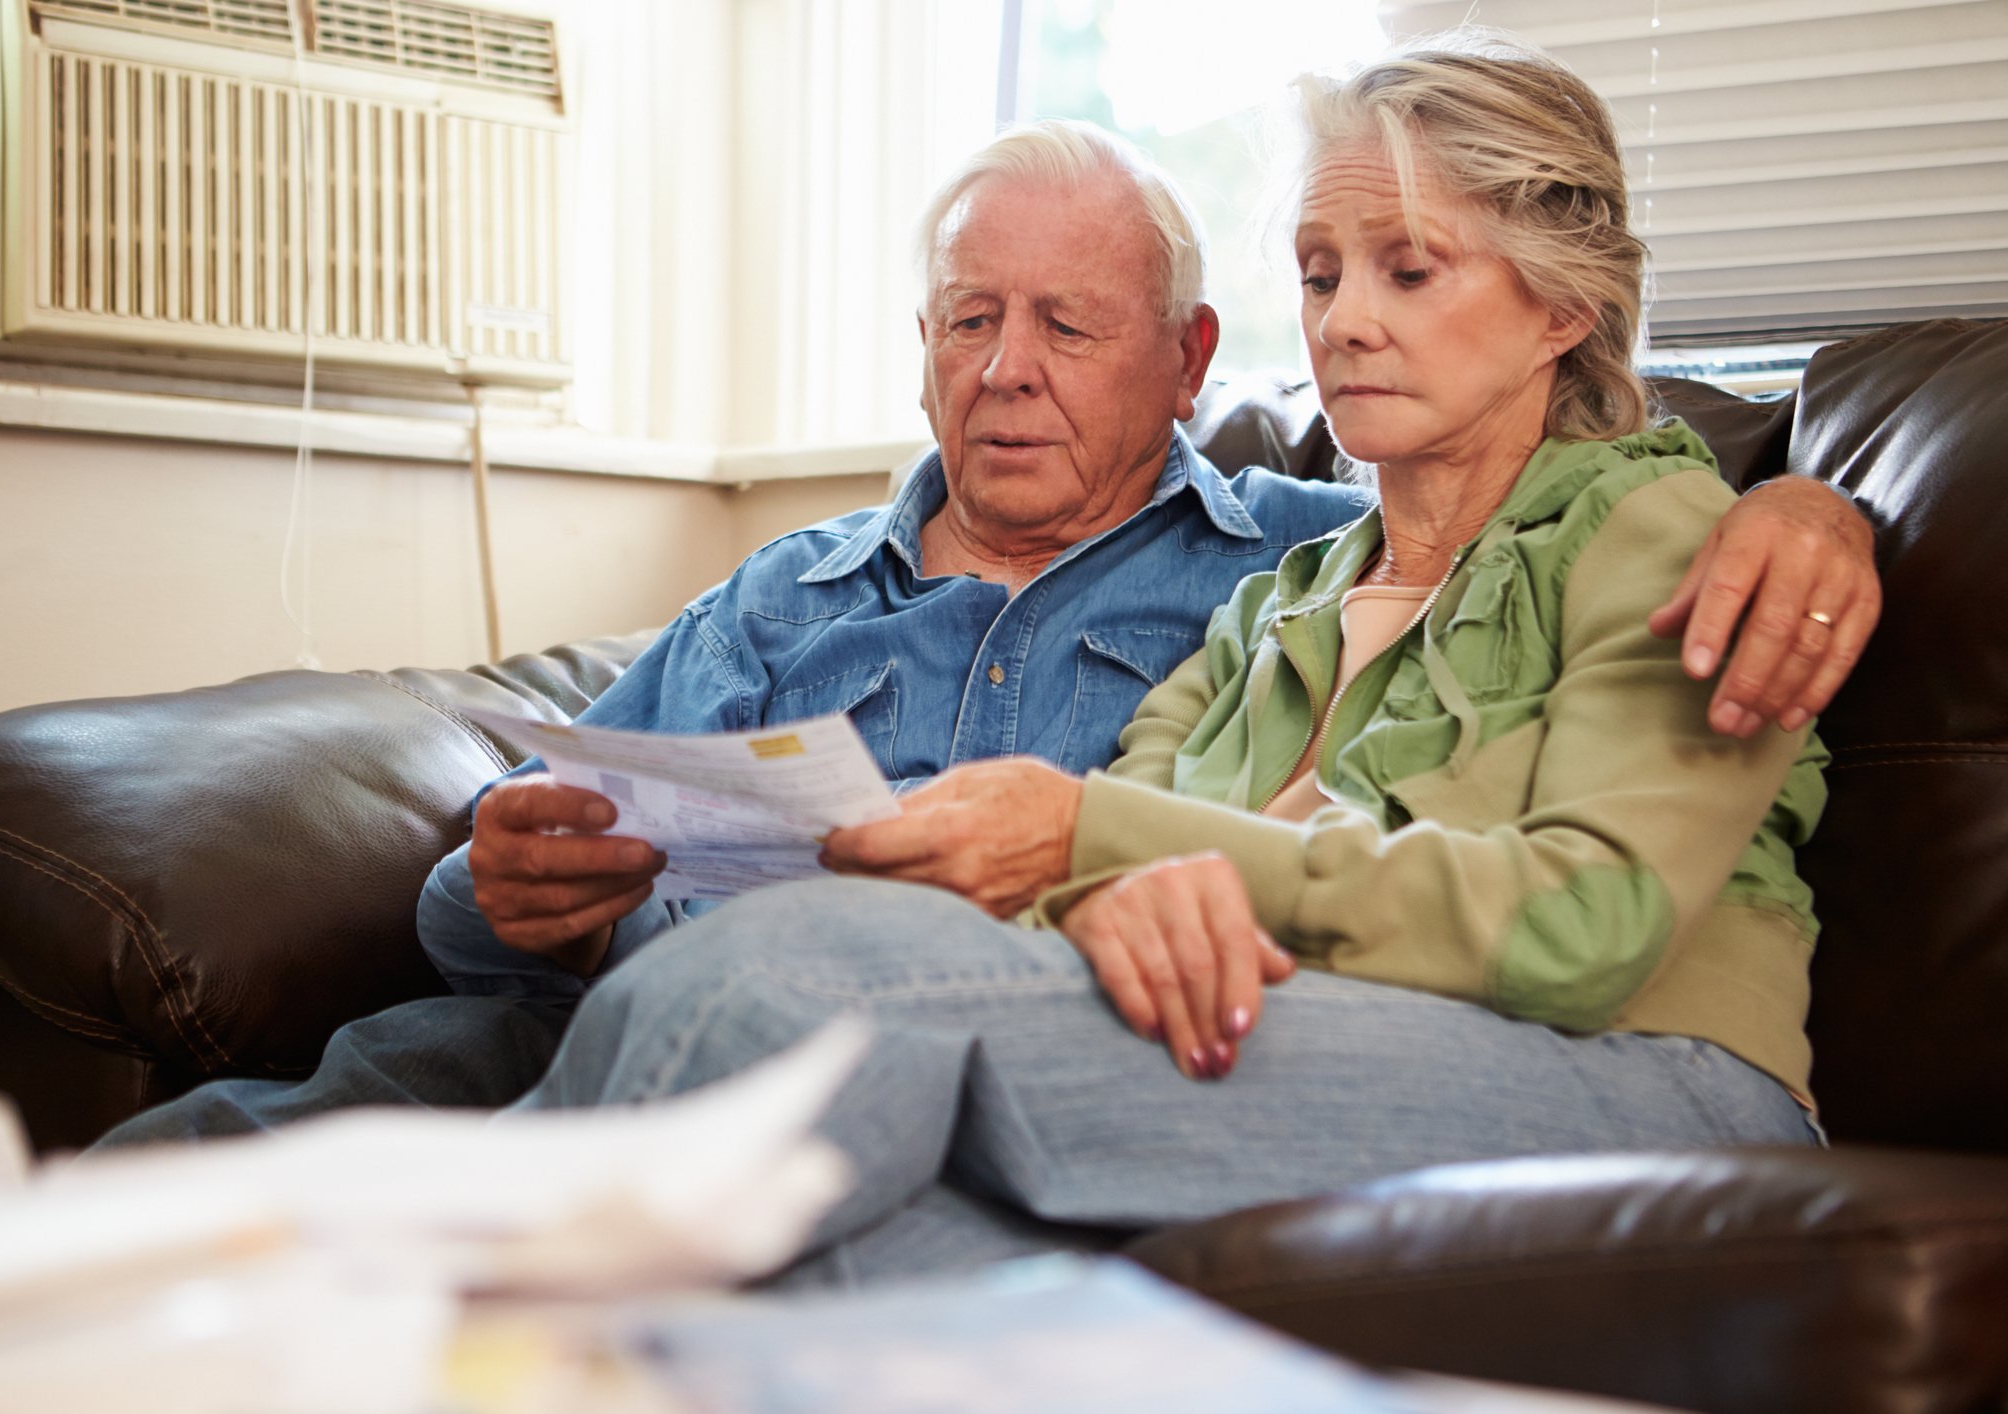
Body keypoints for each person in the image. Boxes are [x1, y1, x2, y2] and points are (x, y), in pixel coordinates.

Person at [95, 95, 1872, 1147]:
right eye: (965, 320)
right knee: (187, 1166)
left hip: (868, 1043)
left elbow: (1563, 533)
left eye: (1066, 328)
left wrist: (1814, 503)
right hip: (566, 1030)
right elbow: (501, 900)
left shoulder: (1287, 553)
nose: (1003, 371)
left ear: (1186, 364)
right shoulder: (788, 589)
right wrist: (500, 889)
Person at [494, 32, 1838, 1289]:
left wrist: (1103, 843)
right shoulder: (1278, 601)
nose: (1345, 321)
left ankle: (448, 1291)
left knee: (800, 979)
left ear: (1558, 308)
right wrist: (1105, 897)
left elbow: (1579, 928)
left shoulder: (1658, 533)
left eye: (1407, 268)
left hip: (1641, 1081)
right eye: (1318, 274)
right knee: (849, 1260)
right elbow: (1108, 862)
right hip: (1306, 1054)